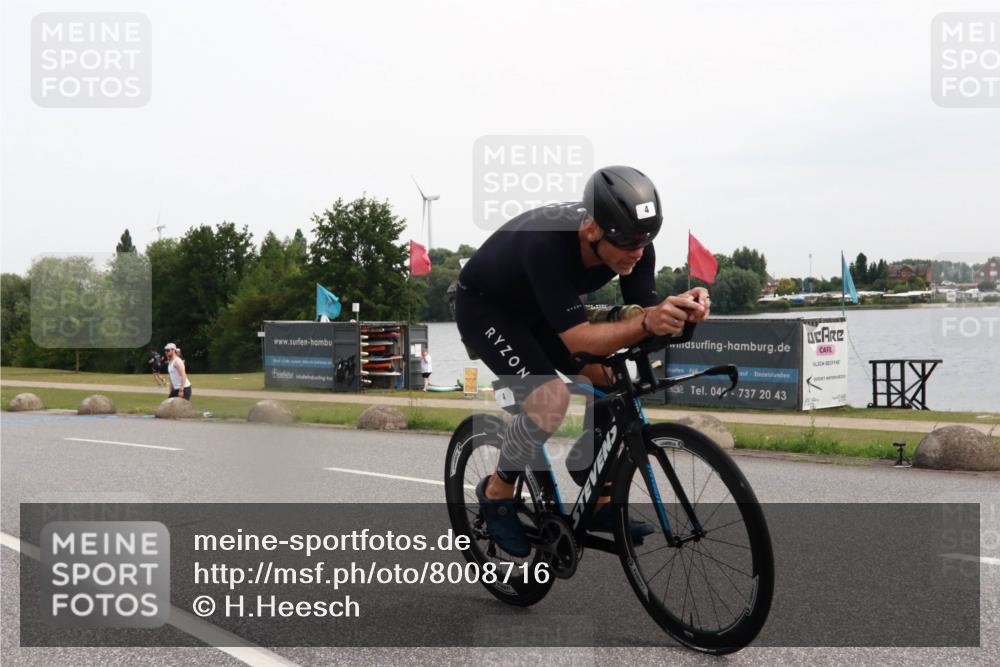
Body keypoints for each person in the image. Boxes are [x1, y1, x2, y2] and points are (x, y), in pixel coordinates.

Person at [456, 166, 711, 556]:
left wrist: (677, 315)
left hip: (542, 309)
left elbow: (640, 316)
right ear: (592, 229)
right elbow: (579, 337)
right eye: (627, 242)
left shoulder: (636, 243)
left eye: (646, 240)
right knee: (549, 399)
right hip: (487, 309)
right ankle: (497, 493)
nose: (637, 253)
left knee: (610, 379)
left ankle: (597, 491)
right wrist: (647, 320)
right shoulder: (547, 244)